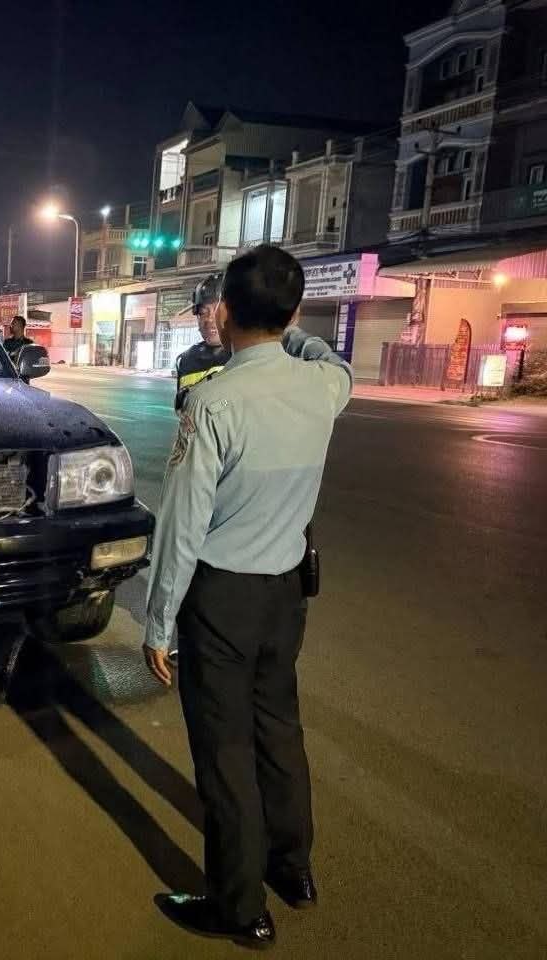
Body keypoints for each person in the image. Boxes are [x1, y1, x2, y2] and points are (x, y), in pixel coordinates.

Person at [143, 245, 352, 948]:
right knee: (279, 732)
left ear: (225, 312)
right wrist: (295, 335)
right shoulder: (322, 387)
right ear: (293, 313)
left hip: (222, 599)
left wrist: (158, 622)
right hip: (285, 595)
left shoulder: (213, 401)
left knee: (225, 749)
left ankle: (239, 907)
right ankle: (293, 870)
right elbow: (337, 364)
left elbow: (182, 525)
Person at [173, 274, 228, 411]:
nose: (209, 319)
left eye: (217, 310)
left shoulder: (249, 356)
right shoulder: (187, 360)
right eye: (203, 312)